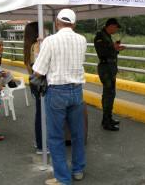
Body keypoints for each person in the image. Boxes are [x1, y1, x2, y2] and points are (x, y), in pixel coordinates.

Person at [32, 9, 87, 185]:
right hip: (77, 90)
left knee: (55, 136)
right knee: (78, 133)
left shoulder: (50, 41)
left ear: (57, 22)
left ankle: (63, 178)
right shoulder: (82, 40)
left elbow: (38, 70)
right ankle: (78, 170)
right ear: (74, 24)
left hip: (56, 91)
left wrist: (42, 49)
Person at [94, 18, 125, 131]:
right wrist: (114, 47)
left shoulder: (107, 36)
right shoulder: (100, 36)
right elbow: (102, 53)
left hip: (110, 68)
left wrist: (116, 49)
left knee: (110, 94)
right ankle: (107, 122)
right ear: (111, 26)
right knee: (108, 94)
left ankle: (108, 118)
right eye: (116, 27)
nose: (116, 30)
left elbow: (110, 51)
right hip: (106, 68)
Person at [23, 21, 45, 154]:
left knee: (39, 113)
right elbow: (40, 67)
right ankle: (41, 144)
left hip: (33, 82)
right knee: (42, 115)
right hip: (40, 83)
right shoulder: (36, 46)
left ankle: (39, 141)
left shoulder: (27, 46)